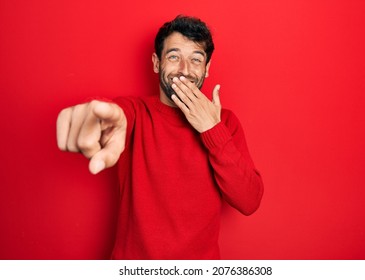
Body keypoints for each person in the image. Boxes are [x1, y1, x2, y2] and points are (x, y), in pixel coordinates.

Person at [56, 15, 264, 259]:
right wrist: (98, 116)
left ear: (207, 68)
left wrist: (211, 129)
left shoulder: (225, 122)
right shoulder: (134, 113)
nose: (184, 70)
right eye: (174, 57)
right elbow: (115, 115)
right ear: (157, 63)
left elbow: (249, 201)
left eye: (196, 59)